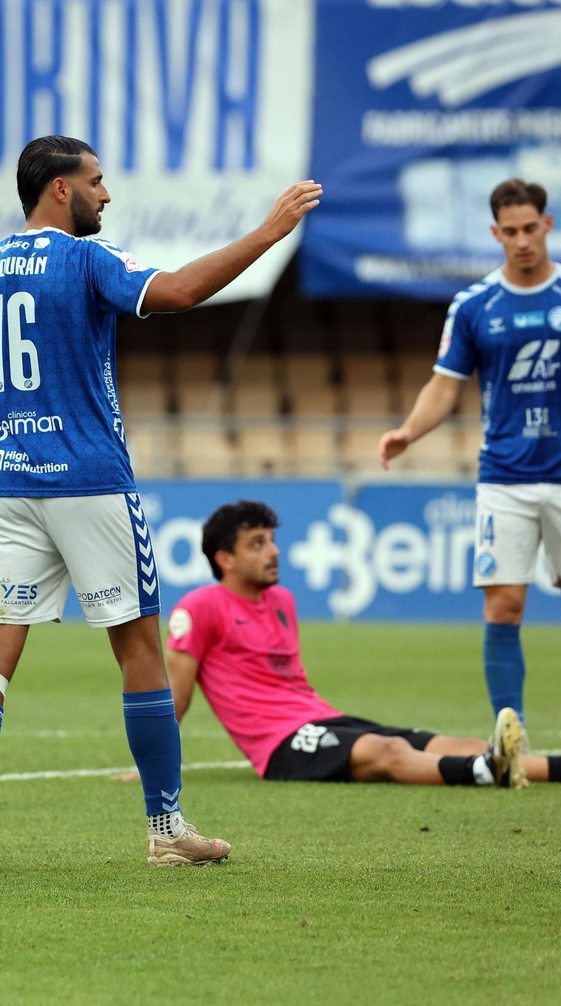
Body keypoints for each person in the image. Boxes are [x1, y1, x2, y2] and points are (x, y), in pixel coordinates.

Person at [0, 135, 320, 871]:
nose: (106, 195)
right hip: (90, 481)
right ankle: (165, 829)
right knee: (141, 653)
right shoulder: (87, 259)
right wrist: (270, 234)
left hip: (10, 488)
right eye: (97, 181)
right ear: (60, 189)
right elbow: (176, 292)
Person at [167, 500, 546, 788]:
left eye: (272, 540)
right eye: (258, 543)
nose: (274, 551)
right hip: (280, 743)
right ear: (225, 559)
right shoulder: (200, 607)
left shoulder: (282, 601)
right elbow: (177, 696)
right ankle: (481, 773)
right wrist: (156, 768)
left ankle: (540, 765)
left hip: (321, 718)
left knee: (449, 742)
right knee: (390, 752)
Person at [379, 178, 560, 730]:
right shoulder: (475, 305)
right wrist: (409, 431)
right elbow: (445, 384)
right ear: (495, 233)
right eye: (511, 231)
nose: (522, 240)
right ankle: (513, 734)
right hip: (503, 476)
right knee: (503, 606)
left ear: (547, 225)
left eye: (531, 228)